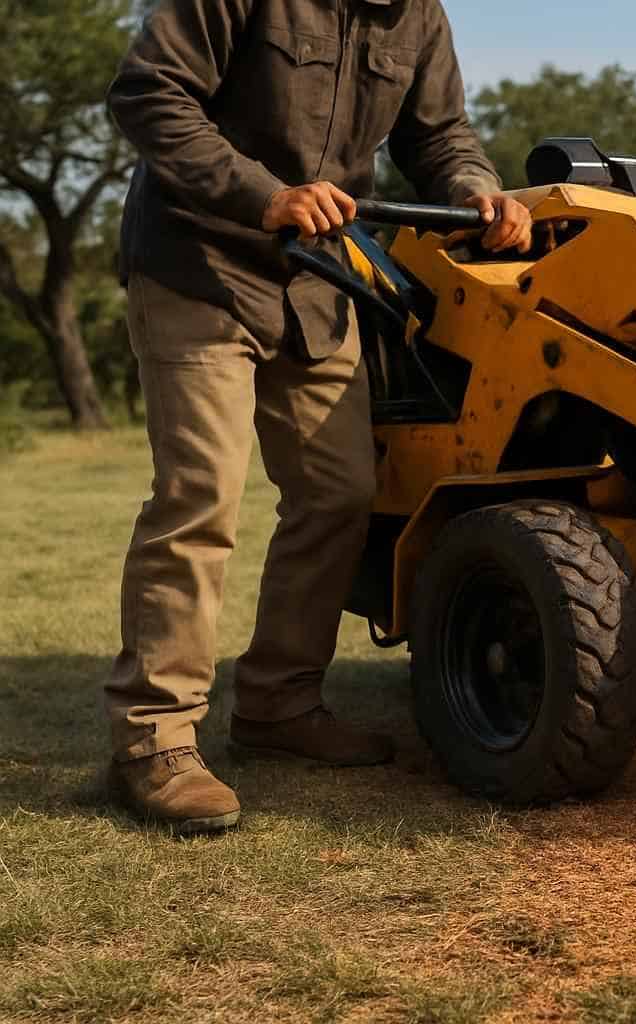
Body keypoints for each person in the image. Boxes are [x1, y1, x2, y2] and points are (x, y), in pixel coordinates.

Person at [103, 0, 532, 835]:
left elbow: (440, 137)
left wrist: (482, 193)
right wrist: (262, 194)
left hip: (315, 278)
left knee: (341, 493)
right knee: (201, 497)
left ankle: (277, 705)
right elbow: (147, 91)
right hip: (197, 263)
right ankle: (151, 740)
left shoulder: (421, 18)